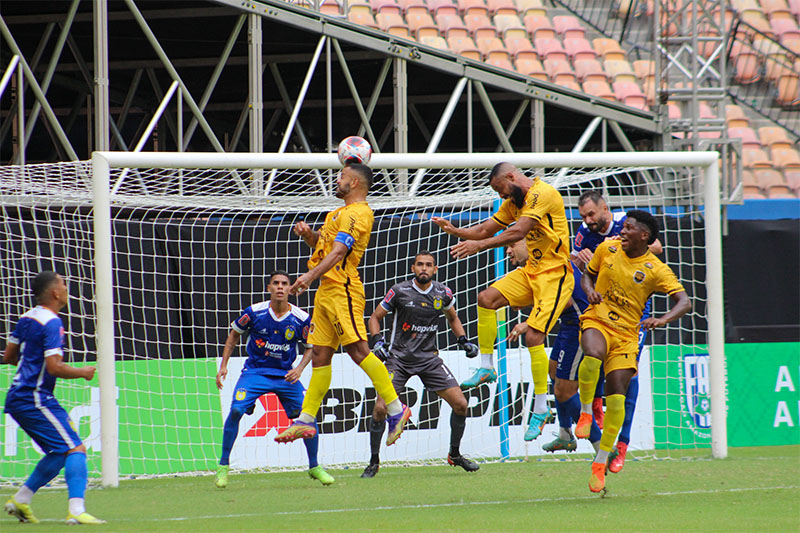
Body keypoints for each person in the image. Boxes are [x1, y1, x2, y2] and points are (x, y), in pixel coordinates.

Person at [432, 162, 574, 442]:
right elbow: (487, 228)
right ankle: (486, 366)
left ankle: (542, 408)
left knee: (533, 337)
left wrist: (478, 246)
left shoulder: (541, 193)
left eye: (500, 189)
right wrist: (457, 232)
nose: (501, 197)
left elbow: (518, 232)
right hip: (531, 270)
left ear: (511, 176)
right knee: (486, 298)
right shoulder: (513, 201)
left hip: (555, 275)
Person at [275, 163, 411, 446]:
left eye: (340, 177)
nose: (336, 181)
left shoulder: (359, 213)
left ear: (354, 182)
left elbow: (339, 252)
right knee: (320, 356)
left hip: (342, 289)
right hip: (326, 291)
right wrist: (309, 236)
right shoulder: (337, 213)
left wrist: (310, 275)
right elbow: (324, 248)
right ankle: (306, 420)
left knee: (358, 351)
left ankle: (397, 411)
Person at [574, 210, 690, 493]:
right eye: (622, 227)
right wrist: (589, 291)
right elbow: (587, 276)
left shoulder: (655, 269)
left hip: (627, 335)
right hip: (597, 318)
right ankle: (586, 414)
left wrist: (663, 319)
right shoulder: (607, 247)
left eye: (628, 228)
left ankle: (600, 462)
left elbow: (684, 301)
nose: (621, 232)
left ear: (644, 236)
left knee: (616, 398)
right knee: (591, 354)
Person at [547, 191, 662, 473]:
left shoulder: (627, 223)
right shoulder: (584, 233)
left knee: (624, 374)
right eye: (583, 216)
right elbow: (578, 264)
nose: (587, 221)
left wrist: (617, 243)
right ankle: (592, 412)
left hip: (633, 315)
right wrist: (579, 257)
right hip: (603, 310)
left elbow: (656, 247)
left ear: (605, 209)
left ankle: (622, 443)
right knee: (591, 356)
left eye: (591, 215)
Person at [361, 252, 480, 478]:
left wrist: (463, 340)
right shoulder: (399, 291)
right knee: (379, 409)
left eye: (428, 265)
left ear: (435, 269)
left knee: (461, 404)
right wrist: (377, 341)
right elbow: (374, 318)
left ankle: (454, 454)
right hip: (399, 358)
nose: (424, 268)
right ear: (413, 267)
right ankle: (374, 461)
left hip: (428, 359)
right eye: (420, 265)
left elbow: (452, 317)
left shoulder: (443, 293)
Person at [214, 271, 334, 488]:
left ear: (290, 289)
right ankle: (223, 466)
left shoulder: (301, 318)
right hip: (255, 372)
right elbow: (233, 335)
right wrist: (223, 365)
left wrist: (299, 368)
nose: (280, 287)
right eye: (276, 283)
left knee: (308, 415)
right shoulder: (254, 312)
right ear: (269, 288)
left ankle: (315, 466)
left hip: (285, 376)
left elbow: (310, 348)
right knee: (236, 411)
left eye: (284, 284)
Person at [3, 271, 105, 525]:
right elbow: (54, 367)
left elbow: (8, 356)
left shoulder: (26, 318)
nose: (66, 287)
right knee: (75, 448)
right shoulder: (52, 323)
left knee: (59, 451)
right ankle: (76, 510)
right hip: (34, 398)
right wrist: (82, 372)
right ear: (55, 293)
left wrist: (29, 366)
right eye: (63, 283)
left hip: (21, 396)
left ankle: (21, 500)